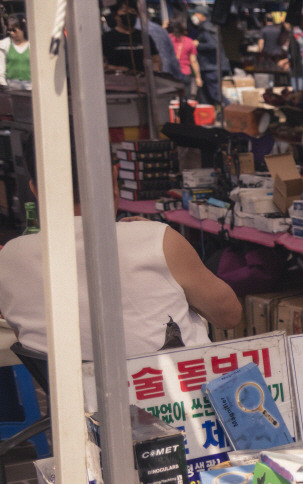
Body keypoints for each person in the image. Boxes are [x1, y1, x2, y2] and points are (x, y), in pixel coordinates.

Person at [0, 144, 242, 362]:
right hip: (175, 393)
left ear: (35, 190)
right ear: (113, 177)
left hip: (73, 398)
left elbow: (27, 336)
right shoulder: (157, 240)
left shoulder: (10, 256)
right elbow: (229, 316)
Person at [102, 1, 160, 74]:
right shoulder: (107, 37)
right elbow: (101, 63)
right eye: (124, 11)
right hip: (117, 79)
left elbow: (156, 60)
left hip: (143, 78)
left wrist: (154, 70)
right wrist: (117, 69)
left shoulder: (144, 36)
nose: (129, 14)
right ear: (116, 16)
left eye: (132, 11)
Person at [189, 5, 228, 104]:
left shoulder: (206, 27)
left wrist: (198, 45)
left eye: (196, 14)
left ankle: (229, 109)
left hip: (211, 67)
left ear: (203, 15)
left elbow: (213, 45)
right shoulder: (208, 26)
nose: (194, 16)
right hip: (210, 66)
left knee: (215, 94)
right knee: (207, 96)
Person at [169, 19, 198, 96]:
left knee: (171, 98)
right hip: (185, 73)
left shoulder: (167, 38)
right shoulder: (189, 41)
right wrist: (198, 77)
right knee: (185, 98)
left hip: (170, 74)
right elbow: (193, 61)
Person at [0, 17, 30, 88]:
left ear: (23, 29)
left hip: (30, 85)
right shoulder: (5, 44)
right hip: (11, 86)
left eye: (14, 30)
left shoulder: (31, 45)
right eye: (9, 30)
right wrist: (4, 84)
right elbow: (1, 68)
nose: (11, 33)